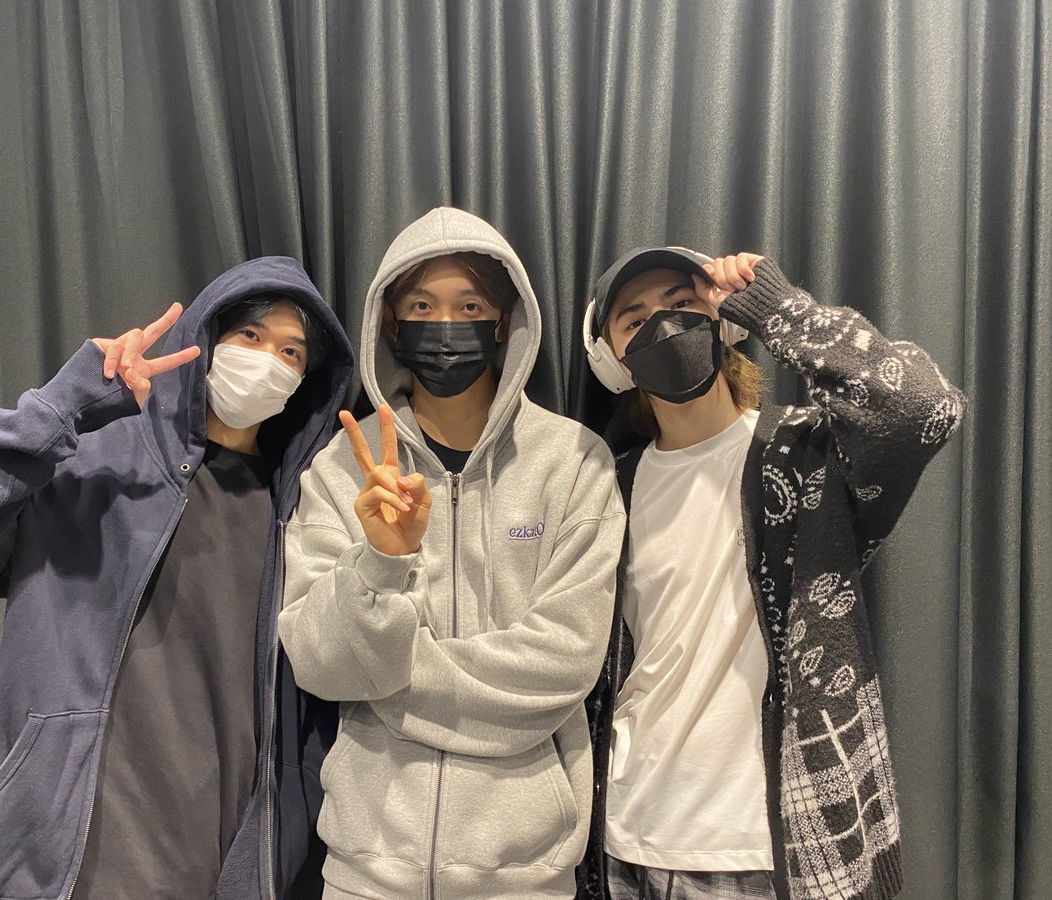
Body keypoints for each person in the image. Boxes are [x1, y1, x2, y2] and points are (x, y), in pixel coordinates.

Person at [0, 257, 353, 899]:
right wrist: (60, 408)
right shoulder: (93, 461)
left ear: (306, 378)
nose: (267, 360)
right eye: (250, 334)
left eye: (291, 351)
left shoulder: (296, 511)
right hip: (66, 853)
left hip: (221, 856)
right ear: (206, 336)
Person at [577, 248, 966, 900]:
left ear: (721, 320)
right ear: (610, 358)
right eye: (634, 319)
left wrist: (777, 307)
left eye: (681, 303)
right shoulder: (610, 484)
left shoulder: (806, 455)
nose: (662, 326)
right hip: (625, 836)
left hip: (765, 847)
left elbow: (921, 408)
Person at [278, 207, 626, 899]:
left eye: (469, 306)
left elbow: (565, 663)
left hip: (526, 875)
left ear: (503, 322)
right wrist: (380, 566)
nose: (444, 325)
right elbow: (320, 663)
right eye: (421, 306)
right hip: (366, 872)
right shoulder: (343, 468)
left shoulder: (573, 462)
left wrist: (388, 679)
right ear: (389, 322)